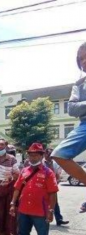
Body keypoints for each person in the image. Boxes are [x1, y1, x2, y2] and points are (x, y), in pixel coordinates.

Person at [10, 143, 58, 235]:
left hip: (41, 212)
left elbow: (53, 192)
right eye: (30, 154)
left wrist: (51, 210)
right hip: (24, 210)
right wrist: (13, 203)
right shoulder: (24, 171)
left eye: (36, 154)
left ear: (41, 155)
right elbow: (17, 188)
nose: (32, 157)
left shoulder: (48, 172)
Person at [52, 42, 86, 185]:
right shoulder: (79, 85)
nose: (83, 62)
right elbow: (72, 108)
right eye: (80, 59)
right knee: (59, 154)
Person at [44, 148, 69, 226]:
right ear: (45, 154)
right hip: (42, 186)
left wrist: (56, 182)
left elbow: (56, 174)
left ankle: (59, 219)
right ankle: (41, 219)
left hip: (51, 187)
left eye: (51, 154)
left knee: (55, 203)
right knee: (42, 202)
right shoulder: (41, 163)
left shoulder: (54, 163)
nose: (49, 156)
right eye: (48, 154)